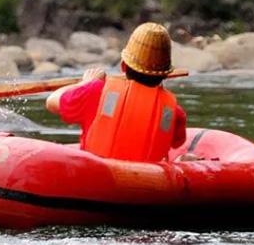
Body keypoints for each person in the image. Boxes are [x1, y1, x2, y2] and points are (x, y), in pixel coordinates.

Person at [46, 22, 187, 162]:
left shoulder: (95, 90)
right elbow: (177, 143)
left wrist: (86, 82)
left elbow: (51, 101)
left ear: (123, 66)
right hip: (148, 181)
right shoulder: (174, 112)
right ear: (165, 75)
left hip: (98, 176)